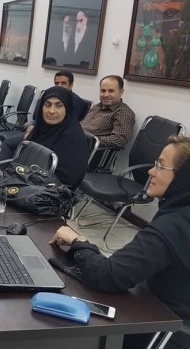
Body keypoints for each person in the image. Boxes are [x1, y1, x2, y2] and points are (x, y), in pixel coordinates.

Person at [49, 135, 190, 349]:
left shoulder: (171, 228)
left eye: (161, 166)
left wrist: (77, 240)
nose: (151, 172)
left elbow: (108, 276)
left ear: (184, 177)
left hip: (167, 332)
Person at [0, 86, 90, 187]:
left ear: (67, 109)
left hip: (46, 191)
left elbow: (69, 180)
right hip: (21, 182)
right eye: (47, 105)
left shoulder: (75, 139)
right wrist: (4, 175)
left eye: (58, 106)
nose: (51, 111)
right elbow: (14, 149)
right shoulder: (40, 129)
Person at [0, 71, 90, 160]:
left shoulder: (76, 103)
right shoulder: (50, 95)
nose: (59, 86)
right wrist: (33, 127)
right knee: (8, 143)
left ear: (71, 85)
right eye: (57, 83)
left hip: (56, 137)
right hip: (41, 130)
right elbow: (40, 117)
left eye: (63, 83)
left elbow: (66, 124)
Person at [80, 75, 135, 148]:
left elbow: (120, 140)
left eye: (111, 91)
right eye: (103, 91)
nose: (105, 95)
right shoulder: (97, 106)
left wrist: (90, 140)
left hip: (84, 148)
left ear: (121, 92)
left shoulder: (123, 113)